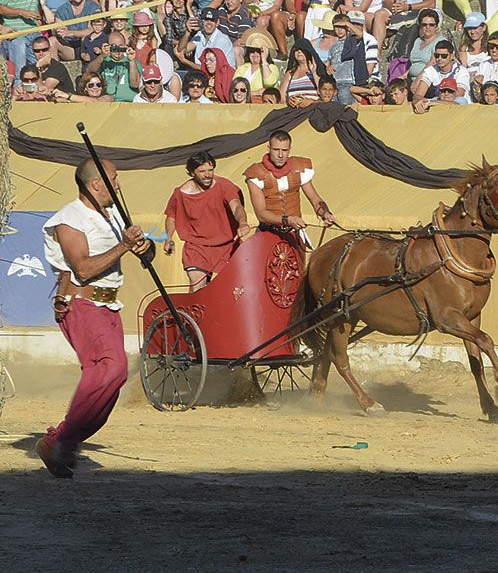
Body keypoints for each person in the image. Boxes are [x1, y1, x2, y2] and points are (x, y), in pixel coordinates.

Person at [38, 158, 152, 478]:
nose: (118, 184)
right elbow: (83, 268)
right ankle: (62, 441)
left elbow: (140, 252)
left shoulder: (114, 214)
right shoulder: (69, 219)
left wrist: (143, 248)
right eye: (113, 179)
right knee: (110, 368)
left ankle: (63, 442)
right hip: (83, 304)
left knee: (112, 381)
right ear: (96, 185)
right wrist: (124, 245)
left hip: (108, 306)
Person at [164, 151, 252, 291]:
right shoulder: (181, 193)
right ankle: (194, 311)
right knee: (197, 285)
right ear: (192, 172)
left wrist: (243, 223)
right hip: (197, 248)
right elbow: (171, 216)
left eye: (210, 170)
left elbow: (236, 207)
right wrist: (168, 238)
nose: (207, 175)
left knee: (232, 290)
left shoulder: (224, 185)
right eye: (202, 171)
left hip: (226, 246)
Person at [244, 130, 336, 238]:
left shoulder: (299, 168)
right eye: (276, 150)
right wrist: (288, 220)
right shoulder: (256, 174)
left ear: (289, 150)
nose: (280, 155)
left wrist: (325, 214)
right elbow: (261, 214)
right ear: (269, 148)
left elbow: (315, 200)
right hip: (268, 234)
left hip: (295, 233)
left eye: (284, 150)